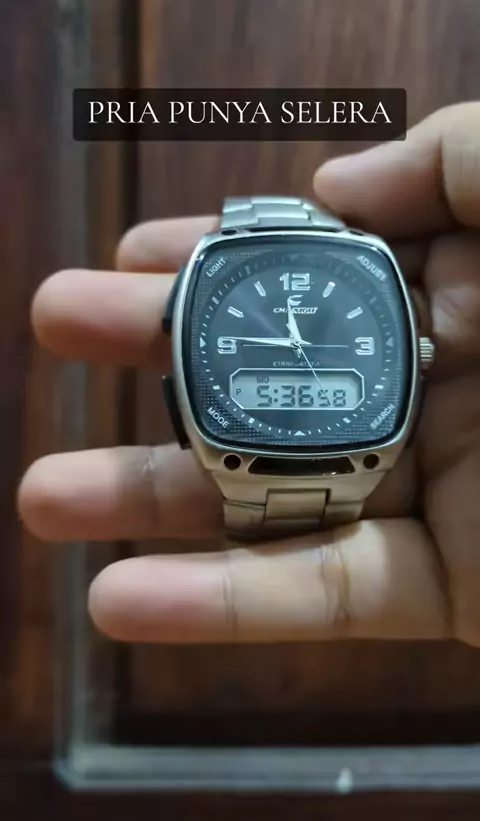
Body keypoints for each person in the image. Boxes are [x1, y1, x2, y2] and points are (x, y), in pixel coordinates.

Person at [17, 103, 480, 647]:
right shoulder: (241, 271)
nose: (296, 350)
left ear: (417, 352)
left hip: (356, 447)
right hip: (256, 444)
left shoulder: (371, 266)